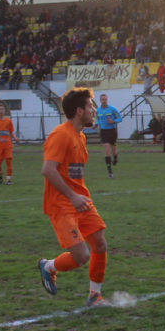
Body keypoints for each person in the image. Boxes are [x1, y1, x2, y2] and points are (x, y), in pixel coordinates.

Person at [37, 87, 110, 307]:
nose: (93, 110)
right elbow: (48, 170)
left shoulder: (80, 136)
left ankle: (94, 296)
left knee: (100, 245)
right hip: (62, 204)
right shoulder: (61, 134)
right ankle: (49, 267)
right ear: (79, 111)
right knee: (81, 256)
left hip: (80, 201)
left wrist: (79, 197)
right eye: (90, 106)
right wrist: (72, 196)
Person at [95, 93, 122, 179]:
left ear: (107, 100)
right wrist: (95, 125)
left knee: (113, 149)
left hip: (112, 131)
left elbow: (120, 118)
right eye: (102, 99)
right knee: (106, 150)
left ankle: (115, 158)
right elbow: (97, 119)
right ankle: (110, 172)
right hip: (103, 131)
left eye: (105, 99)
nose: (104, 101)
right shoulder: (98, 110)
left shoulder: (112, 109)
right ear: (100, 100)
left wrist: (113, 121)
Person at [0, 103, 18, 185]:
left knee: (9, 160)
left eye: (2, 109)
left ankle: (8, 179)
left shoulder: (8, 121)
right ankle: (0, 173)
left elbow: (11, 132)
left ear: (4, 110)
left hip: (8, 145)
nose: (1, 111)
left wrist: (15, 138)